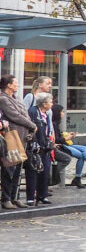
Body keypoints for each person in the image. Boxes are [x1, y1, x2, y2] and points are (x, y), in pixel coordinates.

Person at [0, 75, 34, 209]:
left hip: (22, 138)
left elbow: (24, 113)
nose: (18, 85)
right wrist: (31, 125)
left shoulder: (17, 98)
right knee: (9, 168)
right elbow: (15, 115)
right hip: (11, 137)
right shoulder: (3, 99)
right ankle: (6, 198)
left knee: (18, 170)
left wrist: (31, 128)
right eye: (16, 83)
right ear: (8, 85)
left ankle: (15, 197)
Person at [52, 104, 86, 187]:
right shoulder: (53, 124)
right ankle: (80, 176)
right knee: (82, 155)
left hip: (64, 144)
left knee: (84, 148)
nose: (63, 113)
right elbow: (56, 139)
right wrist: (67, 138)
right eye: (62, 112)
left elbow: (58, 135)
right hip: (61, 146)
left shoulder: (56, 123)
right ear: (57, 113)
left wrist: (67, 135)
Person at [26, 92, 55, 205]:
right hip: (35, 147)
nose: (52, 104)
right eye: (50, 101)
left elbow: (48, 129)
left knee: (45, 170)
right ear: (44, 103)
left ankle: (42, 195)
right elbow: (31, 129)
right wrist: (35, 143)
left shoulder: (46, 114)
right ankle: (30, 197)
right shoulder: (33, 112)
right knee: (33, 171)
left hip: (45, 147)